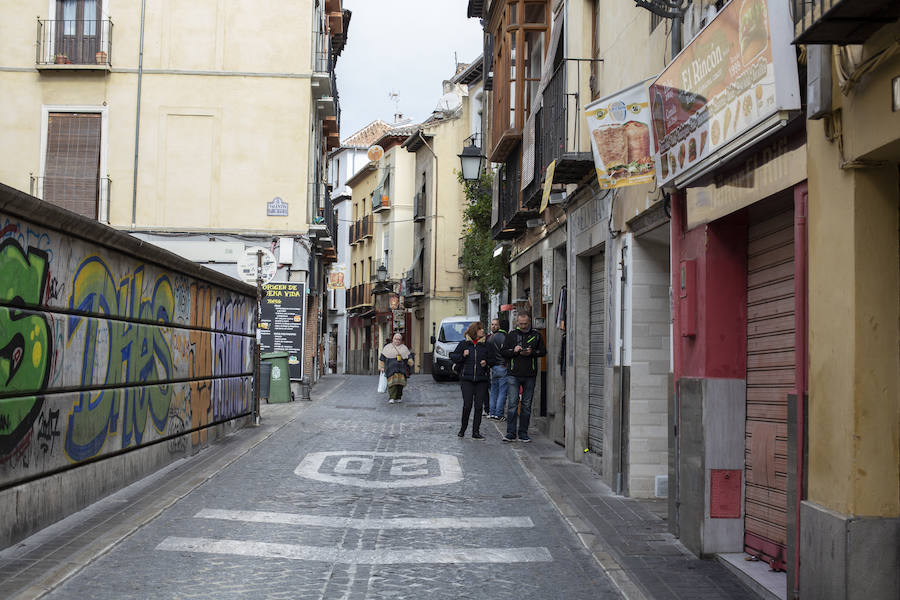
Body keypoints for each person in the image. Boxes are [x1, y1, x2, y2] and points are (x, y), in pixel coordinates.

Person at [500, 313, 546, 442]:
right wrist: (514, 351)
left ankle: (523, 433)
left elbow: (543, 352)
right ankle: (510, 432)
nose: (523, 326)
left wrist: (532, 353)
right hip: (513, 374)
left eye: (525, 323)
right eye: (521, 324)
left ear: (529, 321)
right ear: (517, 322)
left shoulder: (536, 335)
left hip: (530, 374)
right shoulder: (511, 335)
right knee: (513, 404)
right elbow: (503, 352)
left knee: (526, 405)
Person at [449, 322, 495, 439]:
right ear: (475, 331)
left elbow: (493, 359)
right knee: (467, 405)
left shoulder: (486, 345)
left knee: (479, 407)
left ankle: (475, 432)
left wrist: (487, 363)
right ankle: (462, 429)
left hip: (481, 380)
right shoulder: (464, 344)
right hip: (467, 380)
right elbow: (453, 356)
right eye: (480, 329)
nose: (483, 331)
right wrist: (463, 356)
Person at [379, 333, 414, 403]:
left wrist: (410, 361)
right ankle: (391, 397)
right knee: (392, 384)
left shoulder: (404, 348)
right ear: (393, 339)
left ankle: (398, 397)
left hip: (401, 369)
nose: (397, 341)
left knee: (400, 384)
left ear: (401, 340)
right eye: (396, 339)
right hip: (390, 369)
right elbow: (382, 358)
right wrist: (382, 367)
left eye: (399, 339)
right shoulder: (387, 347)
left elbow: (409, 356)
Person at [487, 318, 509, 420]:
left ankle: (492, 412)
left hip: (493, 367)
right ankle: (499, 414)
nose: (494, 326)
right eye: (492, 324)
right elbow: (506, 352)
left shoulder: (490, 338)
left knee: (494, 391)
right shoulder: (504, 337)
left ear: (499, 326)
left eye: (495, 324)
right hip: (502, 366)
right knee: (502, 392)